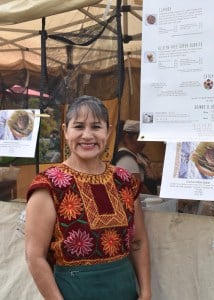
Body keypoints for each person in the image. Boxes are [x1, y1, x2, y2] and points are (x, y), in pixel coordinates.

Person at [25, 95, 151, 300]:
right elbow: (35, 256)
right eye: (79, 126)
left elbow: (138, 242)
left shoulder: (124, 181)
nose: (87, 135)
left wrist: (145, 293)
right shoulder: (49, 185)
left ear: (108, 132)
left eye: (96, 127)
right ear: (65, 131)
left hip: (124, 290)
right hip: (73, 292)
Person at [112, 120, 159, 195]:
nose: (144, 142)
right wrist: (155, 198)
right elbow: (136, 187)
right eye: (141, 137)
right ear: (127, 137)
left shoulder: (140, 156)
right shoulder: (126, 159)